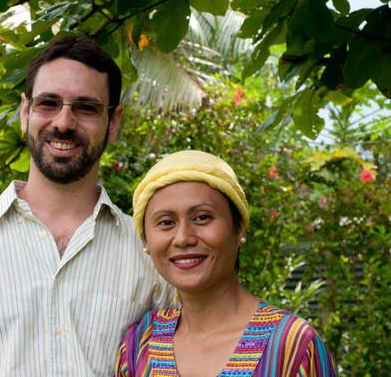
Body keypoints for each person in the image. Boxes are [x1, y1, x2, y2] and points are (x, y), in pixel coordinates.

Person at [0, 36, 174, 376]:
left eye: (86, 107)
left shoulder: (150, 254)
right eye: (48, 103)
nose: (64, 122)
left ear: (113, 122)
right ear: (25, 112)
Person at [116, 150, 338, 376]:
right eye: (166, 222)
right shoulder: (138, 347)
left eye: (202, 217)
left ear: (239, 227)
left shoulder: (294, 347)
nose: (183, 238)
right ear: (145, 241)